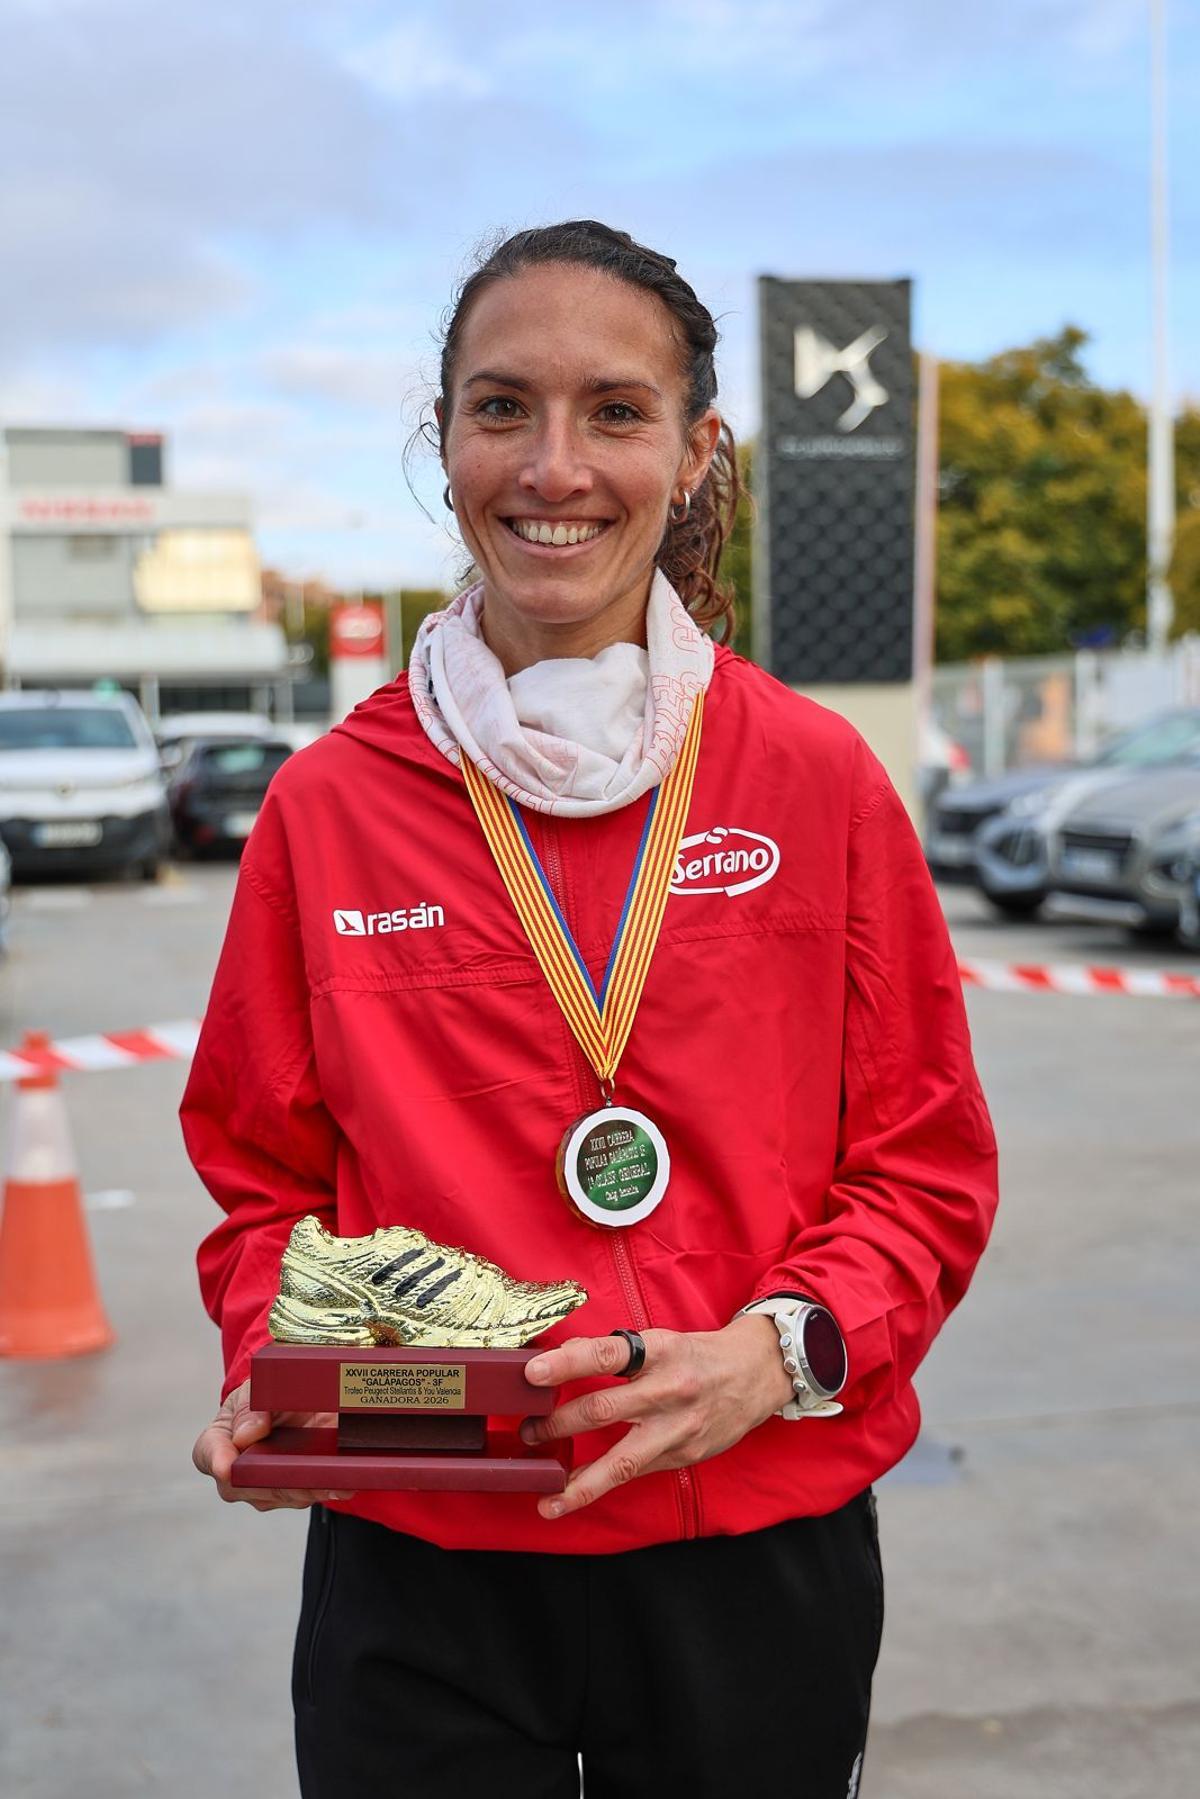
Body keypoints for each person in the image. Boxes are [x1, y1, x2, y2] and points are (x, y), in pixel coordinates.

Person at [186, 219, 998, 1799]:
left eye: (614, 413)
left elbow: (924, 1169)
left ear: (696, 453)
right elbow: (262, 1181)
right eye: (502, 409)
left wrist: (776, 1353)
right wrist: (279, 1366)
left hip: (752, 1535)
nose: (554, 466)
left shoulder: (816, 778)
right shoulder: (327, 806)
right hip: (422, 1546)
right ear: (445, 441)